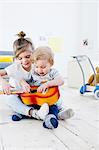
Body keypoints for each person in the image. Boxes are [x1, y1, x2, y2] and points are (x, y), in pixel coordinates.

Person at [0, 31, 49, 122]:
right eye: (20, 58)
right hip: (18, 96)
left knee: (53, 94)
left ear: (34, 54)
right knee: (10, 100)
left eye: (27, 56)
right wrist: (4, 82)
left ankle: (59, 110)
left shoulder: (36, 65)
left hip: (32, 96)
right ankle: (34, 113)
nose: (24, 61)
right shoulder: (15, 67)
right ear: (16, 58)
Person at [27, 46, 74, 128]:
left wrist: (47, 84)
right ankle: (56, 116)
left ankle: (56, 116)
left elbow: (61, 81)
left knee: (53, 107)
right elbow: (28, 84)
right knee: (33, 106)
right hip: (38, 102)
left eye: (43, 67)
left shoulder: (53, 72)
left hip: (52, 101)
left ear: (51, 63)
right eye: (37, 67)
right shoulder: (33, 73)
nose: (39, 70)